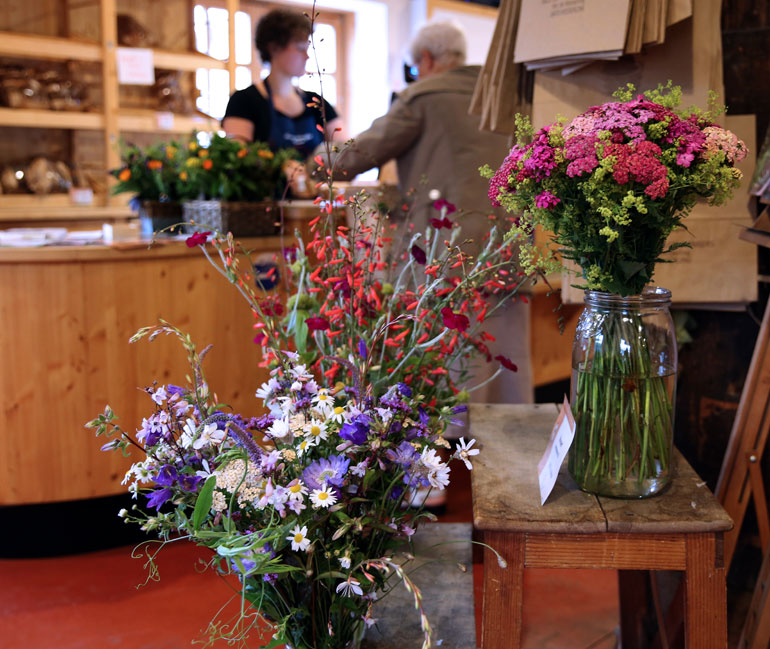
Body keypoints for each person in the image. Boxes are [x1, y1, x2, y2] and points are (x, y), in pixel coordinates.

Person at [331, 21, 534, 407]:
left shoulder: (424, 96)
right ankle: (512, 462)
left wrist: (307, 166)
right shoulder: (508, 95)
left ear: (425, 59)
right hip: (508, 251)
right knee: (507, 369)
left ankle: (455, 465)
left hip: (445, 252)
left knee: (451, 372)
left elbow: (358, 154)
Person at [222, 8, 342, 194]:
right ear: (274, 48)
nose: (307, 56)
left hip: (313, 207)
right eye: (300, 48)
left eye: (307, 49)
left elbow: (343, 152)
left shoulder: (317, 103)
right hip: (264, 208)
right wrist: (279, 165)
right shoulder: (244, 102)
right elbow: (236, 158)